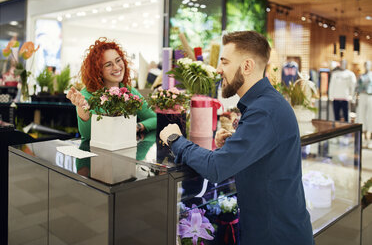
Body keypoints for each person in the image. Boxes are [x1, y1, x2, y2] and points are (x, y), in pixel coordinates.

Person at [160, 31, 314, 245]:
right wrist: (237, 141)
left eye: (224, 62)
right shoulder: (266, 104)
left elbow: (216, 168)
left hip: (276, 236)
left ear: (247, 66)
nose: (218, 69)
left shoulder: (264, 110)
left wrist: (176, 139)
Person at [67, 37, 157, 145]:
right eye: (108, 65)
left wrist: (138, 126)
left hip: (127, 152)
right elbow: (87, 136)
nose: (116, 67)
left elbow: (153, 118)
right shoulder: (87, 95)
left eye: (118, 60)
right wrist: (81, 109)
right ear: (98, 71)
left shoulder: (129, 91)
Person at [356, 61, 372, 148]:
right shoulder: (361, 76)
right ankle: (364, 137)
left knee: (370, 116)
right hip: (362, 96)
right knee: (362, 116)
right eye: (366, 65)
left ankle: (370, 139)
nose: (367, 66)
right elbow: (357, 87)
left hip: (370, 96)